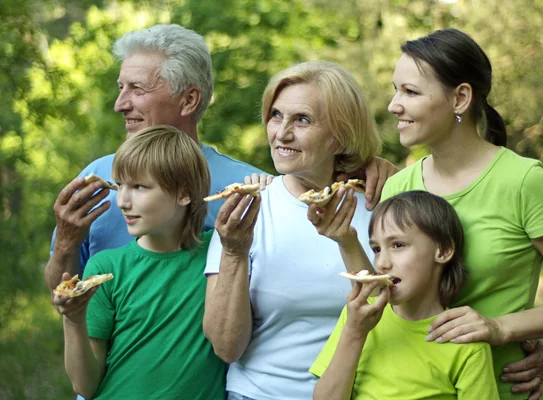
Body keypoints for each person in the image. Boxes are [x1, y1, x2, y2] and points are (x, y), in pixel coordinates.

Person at [44, 23, 398, 295]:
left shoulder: (252, 189)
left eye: (137, 89)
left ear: (189, 101)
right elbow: (60, 292)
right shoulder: (96, 179)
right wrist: (65, 241)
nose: (120, 103)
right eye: (121, 88)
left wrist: (372, 167)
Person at [380, 28, 543, 399]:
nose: (393, 104)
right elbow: (386, 298)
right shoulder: (397, 188)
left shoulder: (524, 182)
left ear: (461, 98)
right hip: (402, 388)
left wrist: (503, 328)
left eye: (410, 92)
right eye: (395, 89)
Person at [203, 61, 383, 400]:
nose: (281, 133)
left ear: (340, 134)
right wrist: (233, 252)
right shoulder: (248, 211)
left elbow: (400, 313)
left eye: (302, 120)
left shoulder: (380, 207)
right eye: (275, 116)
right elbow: (226, 347)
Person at [54, 125, 226, 399]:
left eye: (139, 187)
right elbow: (85, 387)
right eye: (120, 185)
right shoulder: (105, 268)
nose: (122, 201)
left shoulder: (222, 254)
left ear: (183, 193)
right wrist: (73, 320)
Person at [311, 190, 499, 399]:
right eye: (376, 249)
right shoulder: (357, 317)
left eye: (398, 245)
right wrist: (354, 333)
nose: (382, 263)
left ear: (444, 251)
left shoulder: (464, 342)